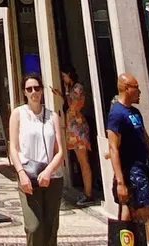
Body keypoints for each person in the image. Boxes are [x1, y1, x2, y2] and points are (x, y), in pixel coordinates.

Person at [106, 73, 149, 246]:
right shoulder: (116, 115)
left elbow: (145, 140)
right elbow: (113, 148)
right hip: (132, 174)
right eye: (136, 87)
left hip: (141, 170)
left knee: (130, 219)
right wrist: (120, 181)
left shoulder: (135, 113)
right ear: (126, 89)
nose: (140, 91)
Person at [9, 73, 65, 246]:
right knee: (34, 227)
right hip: (28, 177)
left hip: (52, 178)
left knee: (50, 227)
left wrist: (49, 171)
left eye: (37, 88)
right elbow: (13, 147)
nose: (34, 92)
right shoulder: (18, 114)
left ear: (41, 90)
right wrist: (21, 173)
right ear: (24, 92)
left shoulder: (52, 116)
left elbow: (60, 150)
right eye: (29, 89)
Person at [61, 69, 94, 204]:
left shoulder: (77, 87)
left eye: (64, 76)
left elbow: (73, 105)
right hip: (73, 128)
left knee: (83, 161)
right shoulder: (72, 88)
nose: (63, 79)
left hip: (78, 129)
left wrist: (67, 91)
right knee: (81, 162)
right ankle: (86, 191)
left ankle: (88, 193)